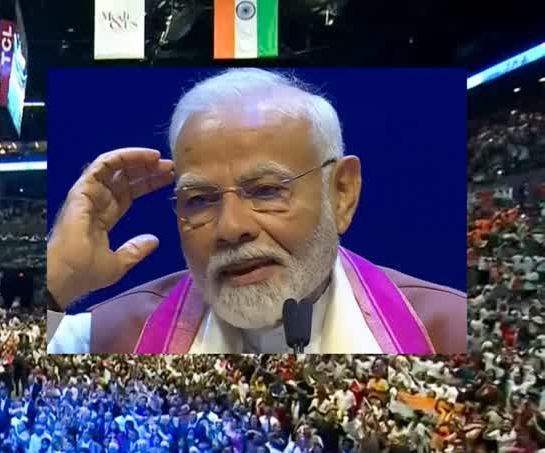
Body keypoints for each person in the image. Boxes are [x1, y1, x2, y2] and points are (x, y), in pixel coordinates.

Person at [46, 68, 466, 354]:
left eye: (266, 191)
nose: (231, 228)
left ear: (341, 194)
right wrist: (60, 279)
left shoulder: (448, 330)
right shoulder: (106, 335)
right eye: (200, 199)